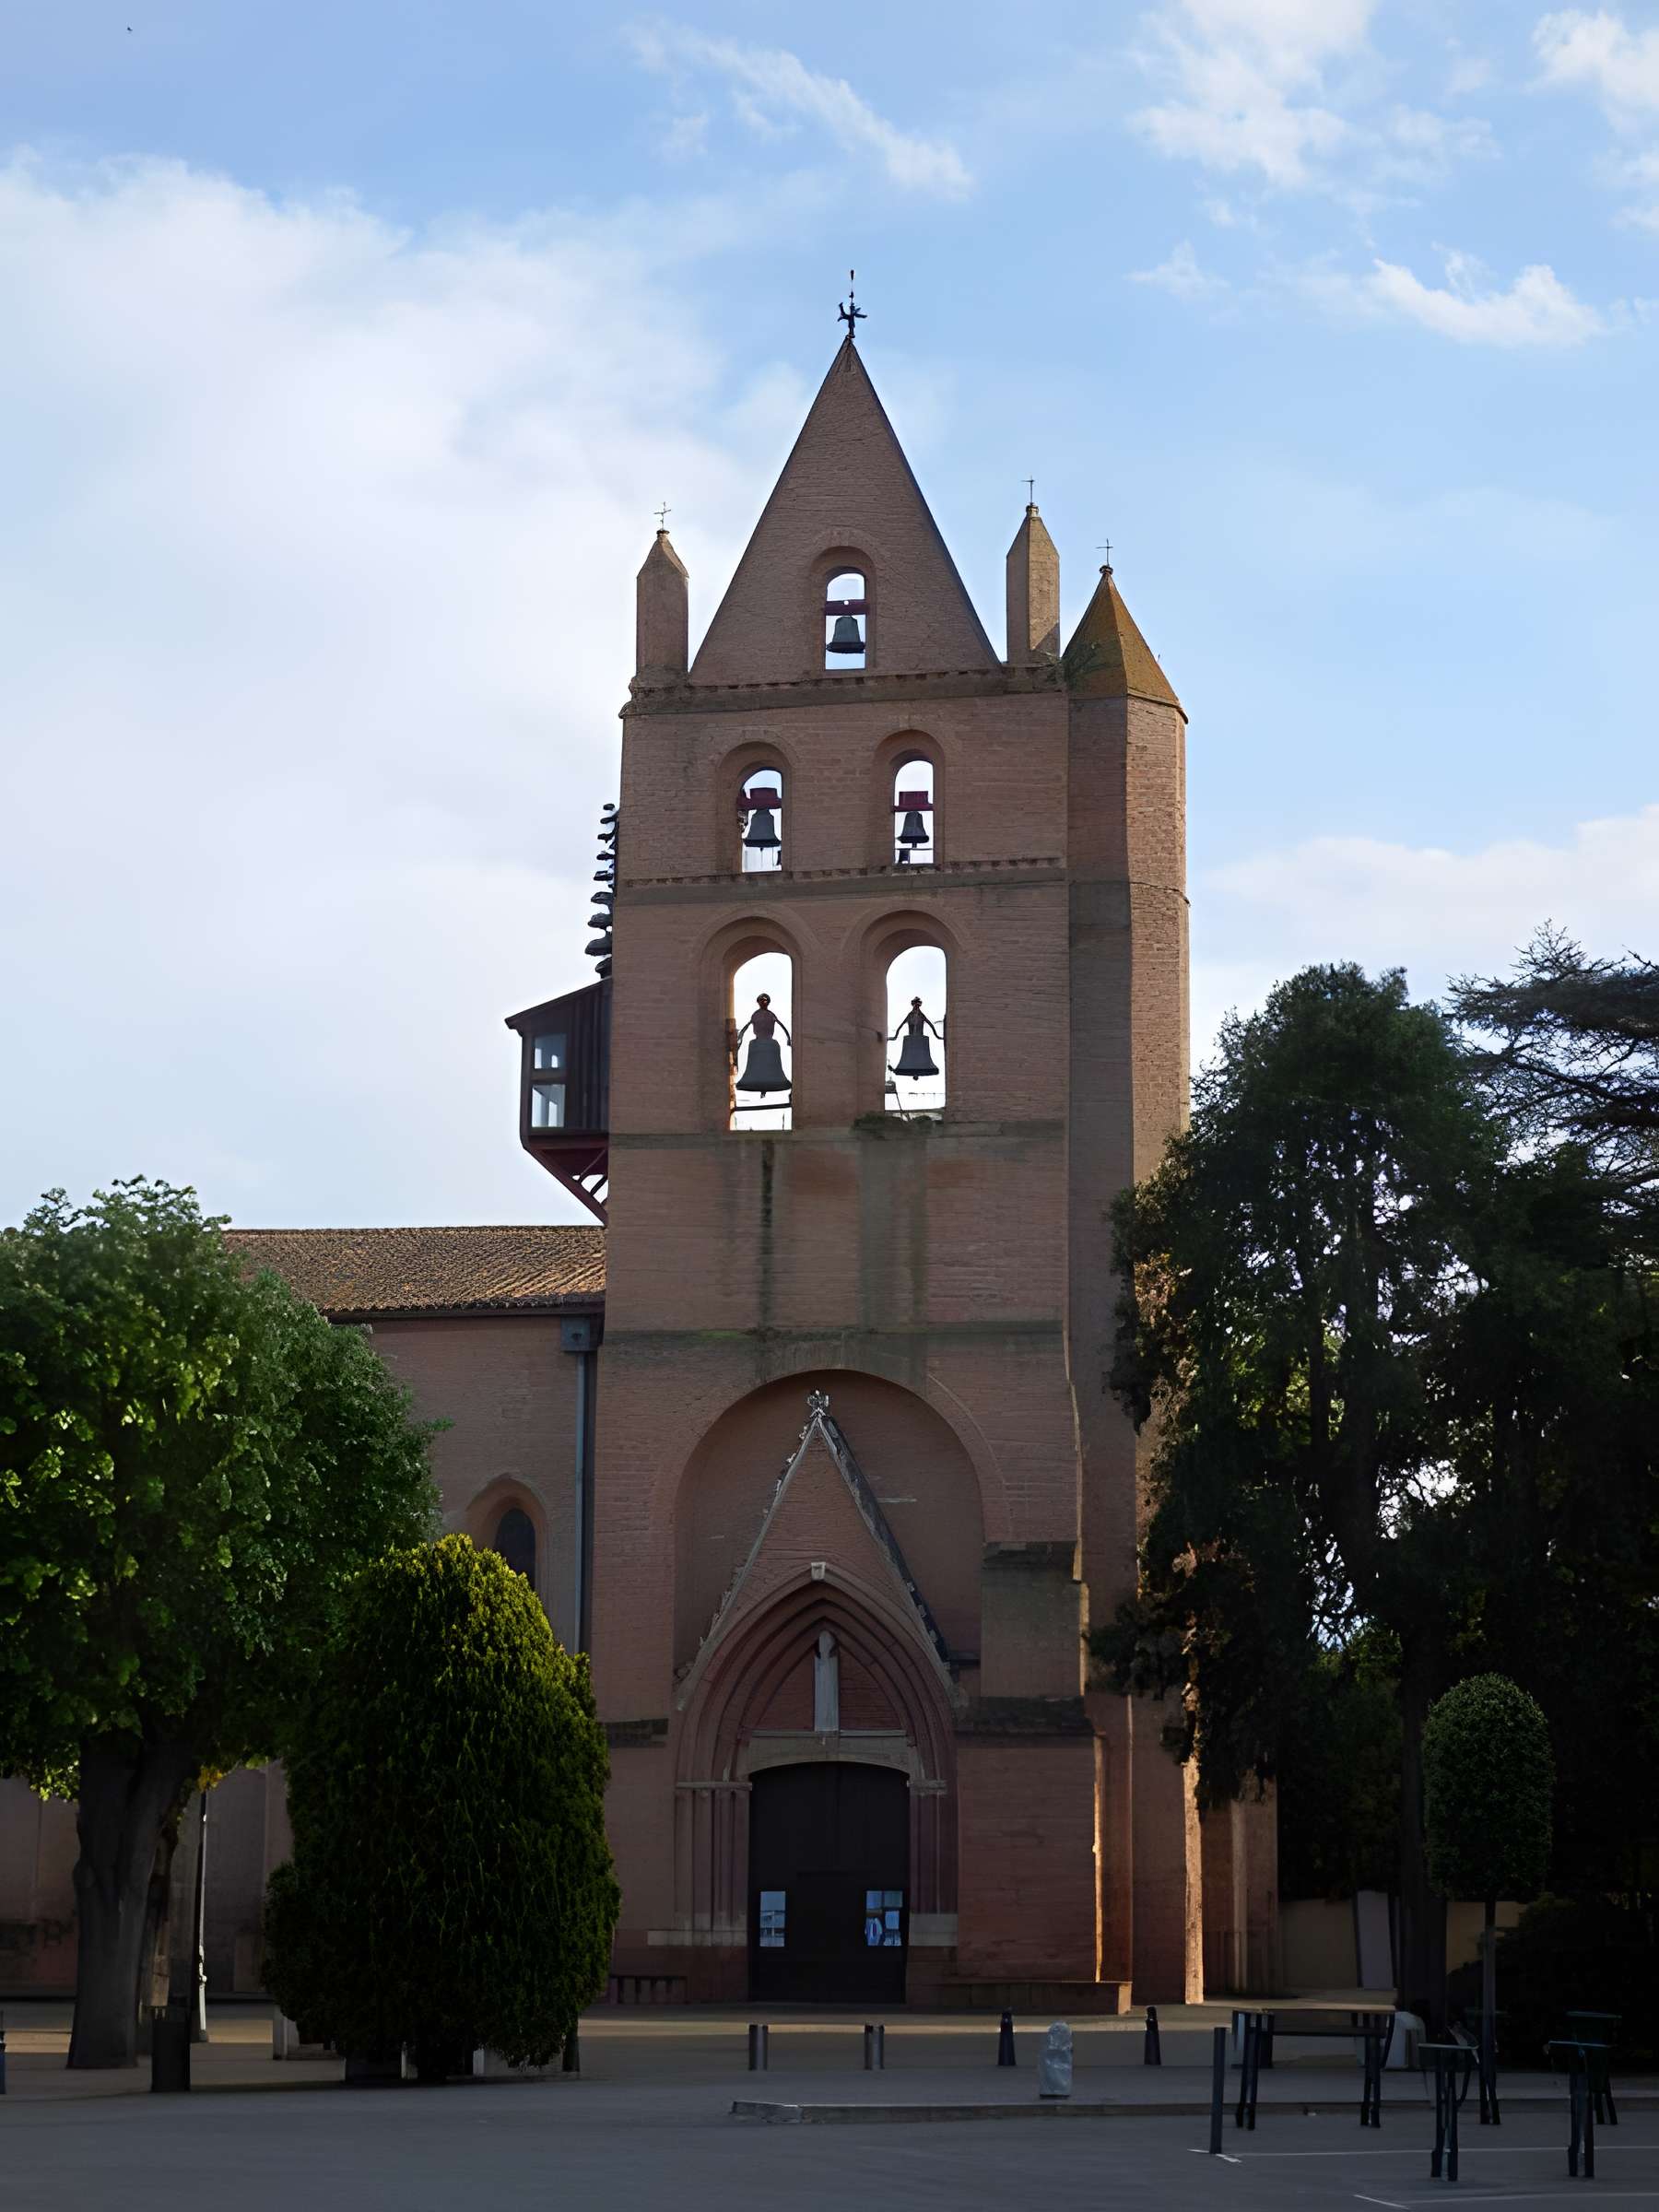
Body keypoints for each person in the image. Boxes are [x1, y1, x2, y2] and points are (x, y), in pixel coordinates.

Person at [734, 993, 792, 1092]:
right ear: (758, 1002)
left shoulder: (770, 1015)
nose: (763, 1003)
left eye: (765, 1001)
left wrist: (788, 1038)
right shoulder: (756, 1015)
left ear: (768, 1002)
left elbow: (781, 1025)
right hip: (760, 1041)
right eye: (761, 1001)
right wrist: (740, 1037)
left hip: (767, 1041)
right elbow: (747, 1026)